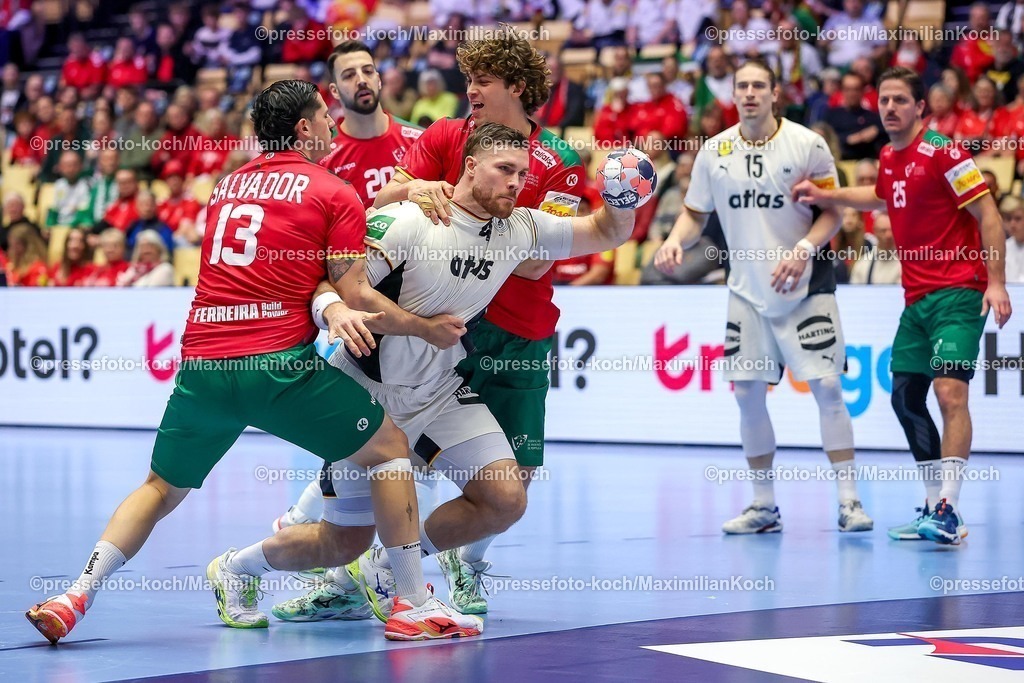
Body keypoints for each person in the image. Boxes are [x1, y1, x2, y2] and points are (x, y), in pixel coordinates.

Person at [25, 80, 482, 644]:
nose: (333, 125)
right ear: (303, 128)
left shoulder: (225, 187)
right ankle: (412, 603)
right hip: (275, 369)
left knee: (160, 487)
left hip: (203, 364)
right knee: (389, 449)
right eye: (325, 117)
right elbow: (359, 294)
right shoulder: (333, 190)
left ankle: (75, 594)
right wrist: (424, 328)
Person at [265, 122, 638, 624]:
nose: (515, 182)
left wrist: (624, 196)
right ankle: (240, 567)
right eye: (504, 169)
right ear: (470, 166)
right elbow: (343, 289)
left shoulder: (521, 228)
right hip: (365, 392)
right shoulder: (409, 220)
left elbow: (607, 232)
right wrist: (420, 328)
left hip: (438, 391)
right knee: (340, 540)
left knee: (505, 499)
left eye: (522, 174)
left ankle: (382, 569)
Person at [288, 27, 584, 615]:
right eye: (467, 78)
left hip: (517, 333)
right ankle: (341, 564)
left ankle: (452, 564)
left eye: (482, 80)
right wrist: (421, 188)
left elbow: (538, 262)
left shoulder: (561, 162)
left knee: (515, 480)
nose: (469, 89)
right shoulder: (448, 134)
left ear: (517, 87)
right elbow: (388, 197)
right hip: (441, 327)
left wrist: (487, 228)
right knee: (393, 451)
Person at [794, 66, 1014, 545]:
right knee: (905, 397)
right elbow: (878, 197)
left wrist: (997, 283)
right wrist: (825, 194)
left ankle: (949, 510)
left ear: (920, 107)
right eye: (884, 100)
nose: (890, 107)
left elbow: (988, 214)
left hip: (960, 290)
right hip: (916, 300)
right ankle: (933, 506)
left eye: (899, 100)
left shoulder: (943, 151)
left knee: (950, 393)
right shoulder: (889, 157)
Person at [655, 58, 874, 535]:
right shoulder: (714, 151)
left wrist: (803, 249)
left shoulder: (807, 144)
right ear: (733, 94)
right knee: (747, 394)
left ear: (776, 94)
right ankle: (764, 505)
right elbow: (694, 214)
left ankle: (849, 501)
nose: (750, 93)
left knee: (828, 387)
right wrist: (674, 240)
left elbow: (833, 212)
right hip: (747, 292)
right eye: (743, 86)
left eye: (759, 86)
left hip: (806, 286)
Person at [318, 41, 423, 209]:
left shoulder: (420, 141)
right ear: (335, 91)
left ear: (379, 80)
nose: (361, 80)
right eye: (349, 75)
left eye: (368, 71)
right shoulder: (323, 157)